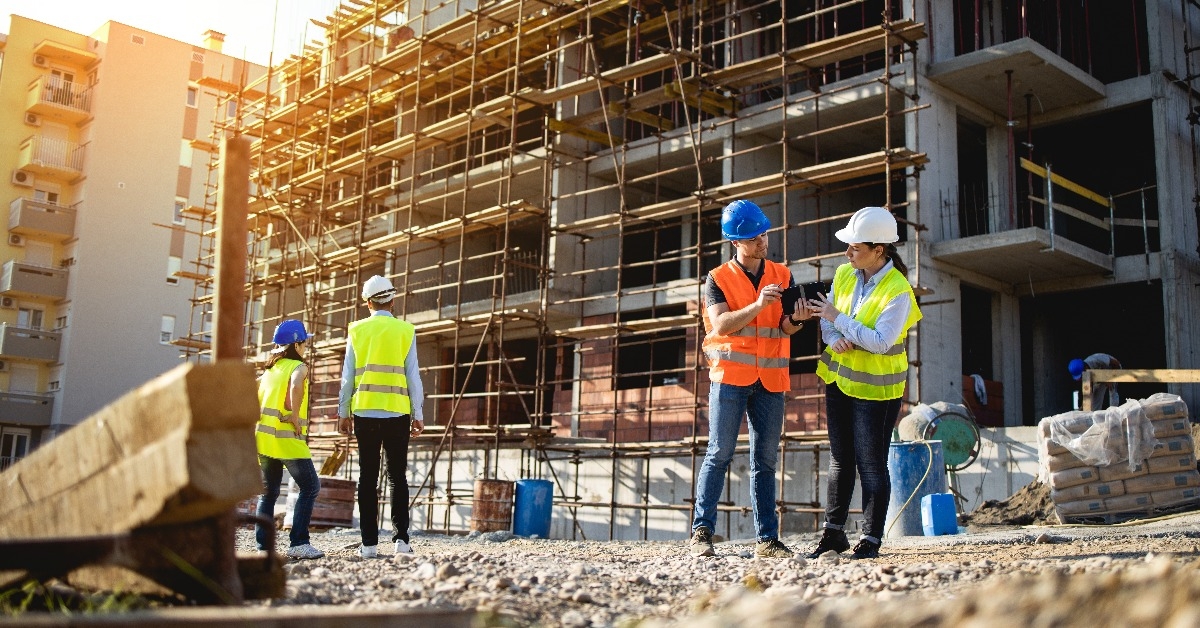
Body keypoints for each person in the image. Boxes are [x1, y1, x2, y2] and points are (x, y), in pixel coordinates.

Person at [687, 199, 814, 559]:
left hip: (771, 381)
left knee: (766, 461)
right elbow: (722, 323)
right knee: (719, 453)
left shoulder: (782, 273)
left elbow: (784, 328)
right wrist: (758, 304)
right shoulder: (718, 278)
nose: (763, 240)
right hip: (730, 378)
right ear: (736, 242)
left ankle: (767, 541)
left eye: (764, 233)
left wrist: (800, 319)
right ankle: (701, 532)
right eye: (754, 236)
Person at [806, 206, 922, 560]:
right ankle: (834, 534)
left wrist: (838, 319)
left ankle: (870, 540)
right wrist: (831, 335)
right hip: (840, 380)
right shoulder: (844, 274)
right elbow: (827, 316)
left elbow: (881, 340)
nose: (848, 253)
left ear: (879, 250)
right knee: (840, 460)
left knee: (871, 463)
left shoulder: (898, 290)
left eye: (855, 247)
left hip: (877, 390)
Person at [337, 275, 426, 558]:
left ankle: (369, 545)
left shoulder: (357, 330)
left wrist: (343, 411)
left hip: (364, 411)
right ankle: (401, 541)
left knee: (367, 478)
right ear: (393, 300)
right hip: (398, 412)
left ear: (367, 303)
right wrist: (418, 412)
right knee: (398, 478)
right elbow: (413, 376)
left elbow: (347, 375)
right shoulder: (405, 330)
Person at [255, 319, 325, 560]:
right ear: (296, 343)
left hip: (264, 440)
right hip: (287, 439)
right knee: (310, 487)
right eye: (304, 342)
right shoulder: (299, 367)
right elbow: (296, 386)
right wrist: (294, 416)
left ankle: (263, 549)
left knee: (268, 493)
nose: (306, 347)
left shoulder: (269, 370)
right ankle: (298, 543)